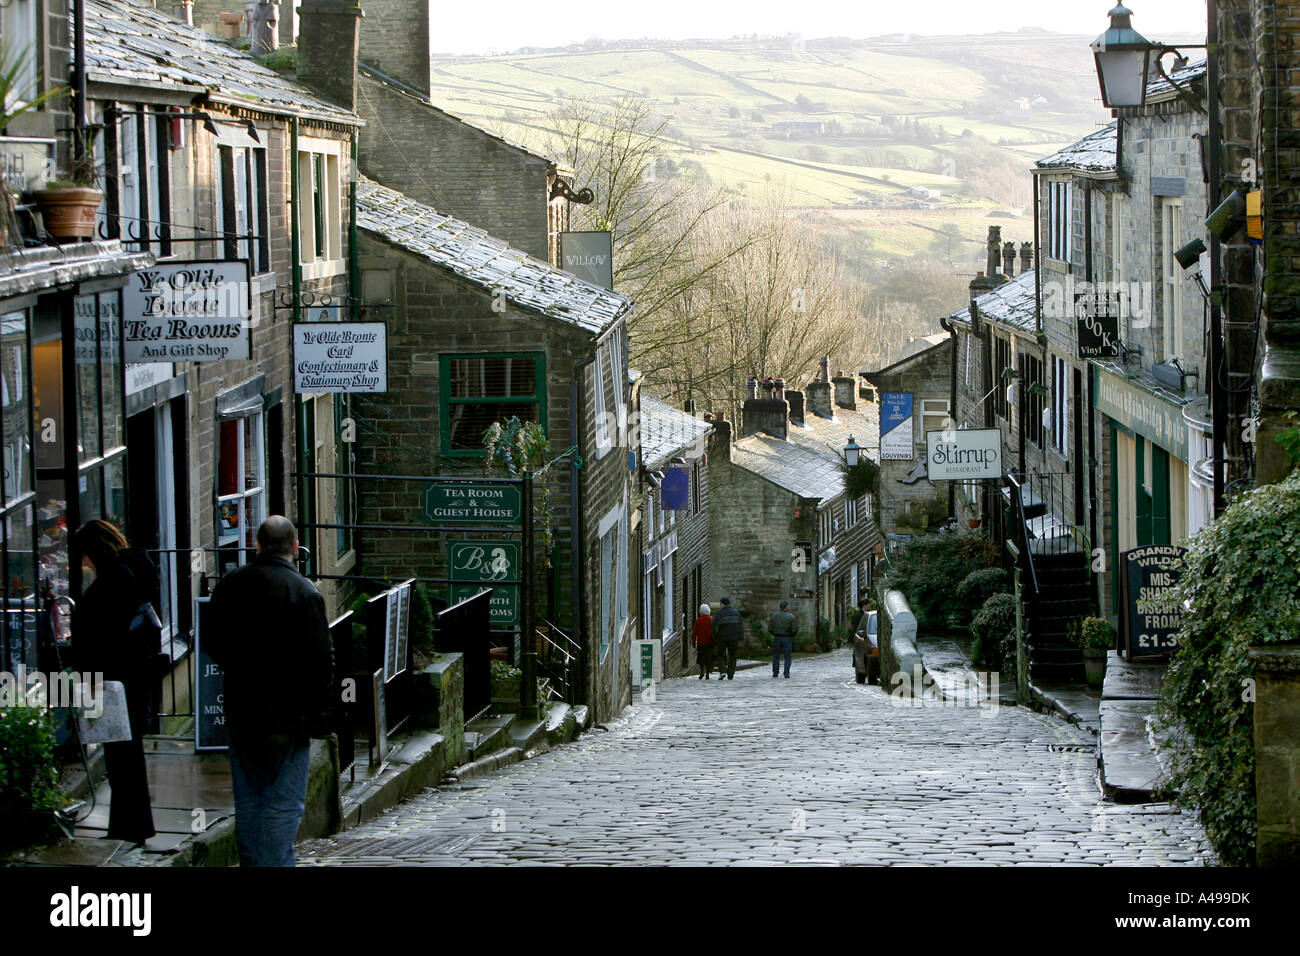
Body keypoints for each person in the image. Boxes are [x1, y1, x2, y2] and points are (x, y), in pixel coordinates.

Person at [206, 516, 334, 867]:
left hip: (243, 708)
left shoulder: (232, 585)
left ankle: (253, 863)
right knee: (285, 801)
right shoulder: (305, 592)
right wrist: (319, 713)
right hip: (290, 715)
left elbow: (214, 643)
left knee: (249, 798)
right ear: (294, 548)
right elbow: (321, 661)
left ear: (257, 546)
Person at [70, 519, 159, 846]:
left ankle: (129, 825)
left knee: (121, 755)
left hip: (114, 678)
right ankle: (131, 823)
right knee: (127, 753)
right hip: (132, 675)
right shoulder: (134, 570)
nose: (84, 564)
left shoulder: (113, 581)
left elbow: (101, 633)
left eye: (85, 556)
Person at [712, 596, 743, 680]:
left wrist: (715, 637)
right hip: (734, 638)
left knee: (720, 654)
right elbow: (740, 626)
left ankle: (722, 671)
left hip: (722, 638)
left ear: (722, 604)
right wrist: (740, 638)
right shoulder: (736, 613)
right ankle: (731, 674)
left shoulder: (719, 614)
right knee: (733, 656)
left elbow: (714, 627)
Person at [768, 600, 798, 679]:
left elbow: (770, 628)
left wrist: (774, 633)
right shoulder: (791, 617)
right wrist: (792, 635)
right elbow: (794, 629)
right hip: (787, 638)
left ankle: (775, 672)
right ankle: (786, 673)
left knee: (776, 656)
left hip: (777, 637)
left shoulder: (774, 616)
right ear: (786, 607)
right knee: (787, 657)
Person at [691, 603, 714, 679]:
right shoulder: (712, 619)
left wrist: (694, 642)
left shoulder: (698, 621)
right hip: (710, 642)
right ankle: (707, 673)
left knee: (701, 658)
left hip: (701, 642)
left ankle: (701, 672)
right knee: (708, 658)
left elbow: (694, 633)